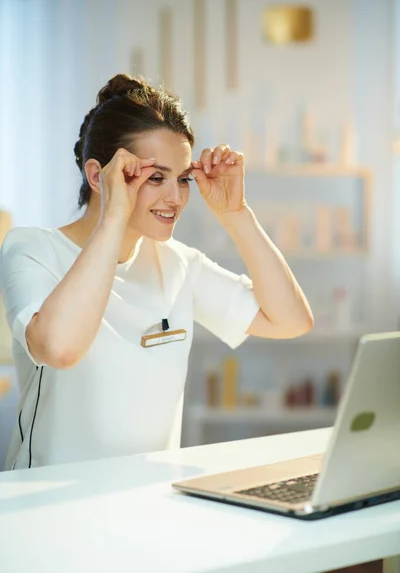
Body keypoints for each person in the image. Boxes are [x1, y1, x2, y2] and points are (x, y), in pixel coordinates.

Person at [0, 74, 314, 470]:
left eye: (182, 179)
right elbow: (59, 348)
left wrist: (237, 215)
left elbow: (291, 320)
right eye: (155, 177)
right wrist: (114, 215)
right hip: (49, 507)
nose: (176, 197)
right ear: (98, 176)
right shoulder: (32, 249)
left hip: (148, 507)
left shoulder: (179, 263)